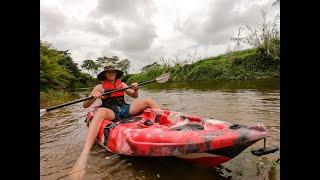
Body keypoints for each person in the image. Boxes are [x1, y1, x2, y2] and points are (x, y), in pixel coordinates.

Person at [69, 63, 160, 178]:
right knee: (101, 112)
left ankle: (163, 122)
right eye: (109, 72)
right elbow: (85, 105)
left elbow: (135, 96)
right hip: (111, 111)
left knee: (147, 100)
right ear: (105, 74)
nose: (111, 73)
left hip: (124, 108)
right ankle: (85, 153)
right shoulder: (99, 87)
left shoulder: (121, 84)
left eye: (113, 71)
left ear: (116, 73)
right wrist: (93, 96)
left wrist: (136, 89)